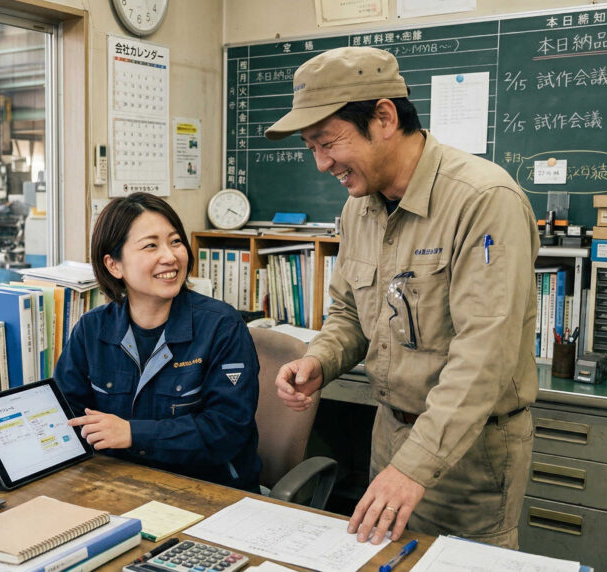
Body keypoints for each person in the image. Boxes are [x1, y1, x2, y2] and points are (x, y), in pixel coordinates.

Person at [264, 47, 539, 548]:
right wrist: (320, 360)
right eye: (311, 148)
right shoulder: (358, 210)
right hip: (389, 435)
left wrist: (414, 466)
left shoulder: (483, 200)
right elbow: (350, 312)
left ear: (385, 117)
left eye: (328, 142)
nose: (322, 164)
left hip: (470, 455)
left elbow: (485, 356)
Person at [54, 192, 262, 492]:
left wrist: (133, 434)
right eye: (151, 245)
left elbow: (226, 431)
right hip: (116, 486)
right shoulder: (91, 329)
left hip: (204, 491)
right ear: (114, 265)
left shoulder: (222, 326)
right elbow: (66, 416)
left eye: (175, 242)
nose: (170, 256)